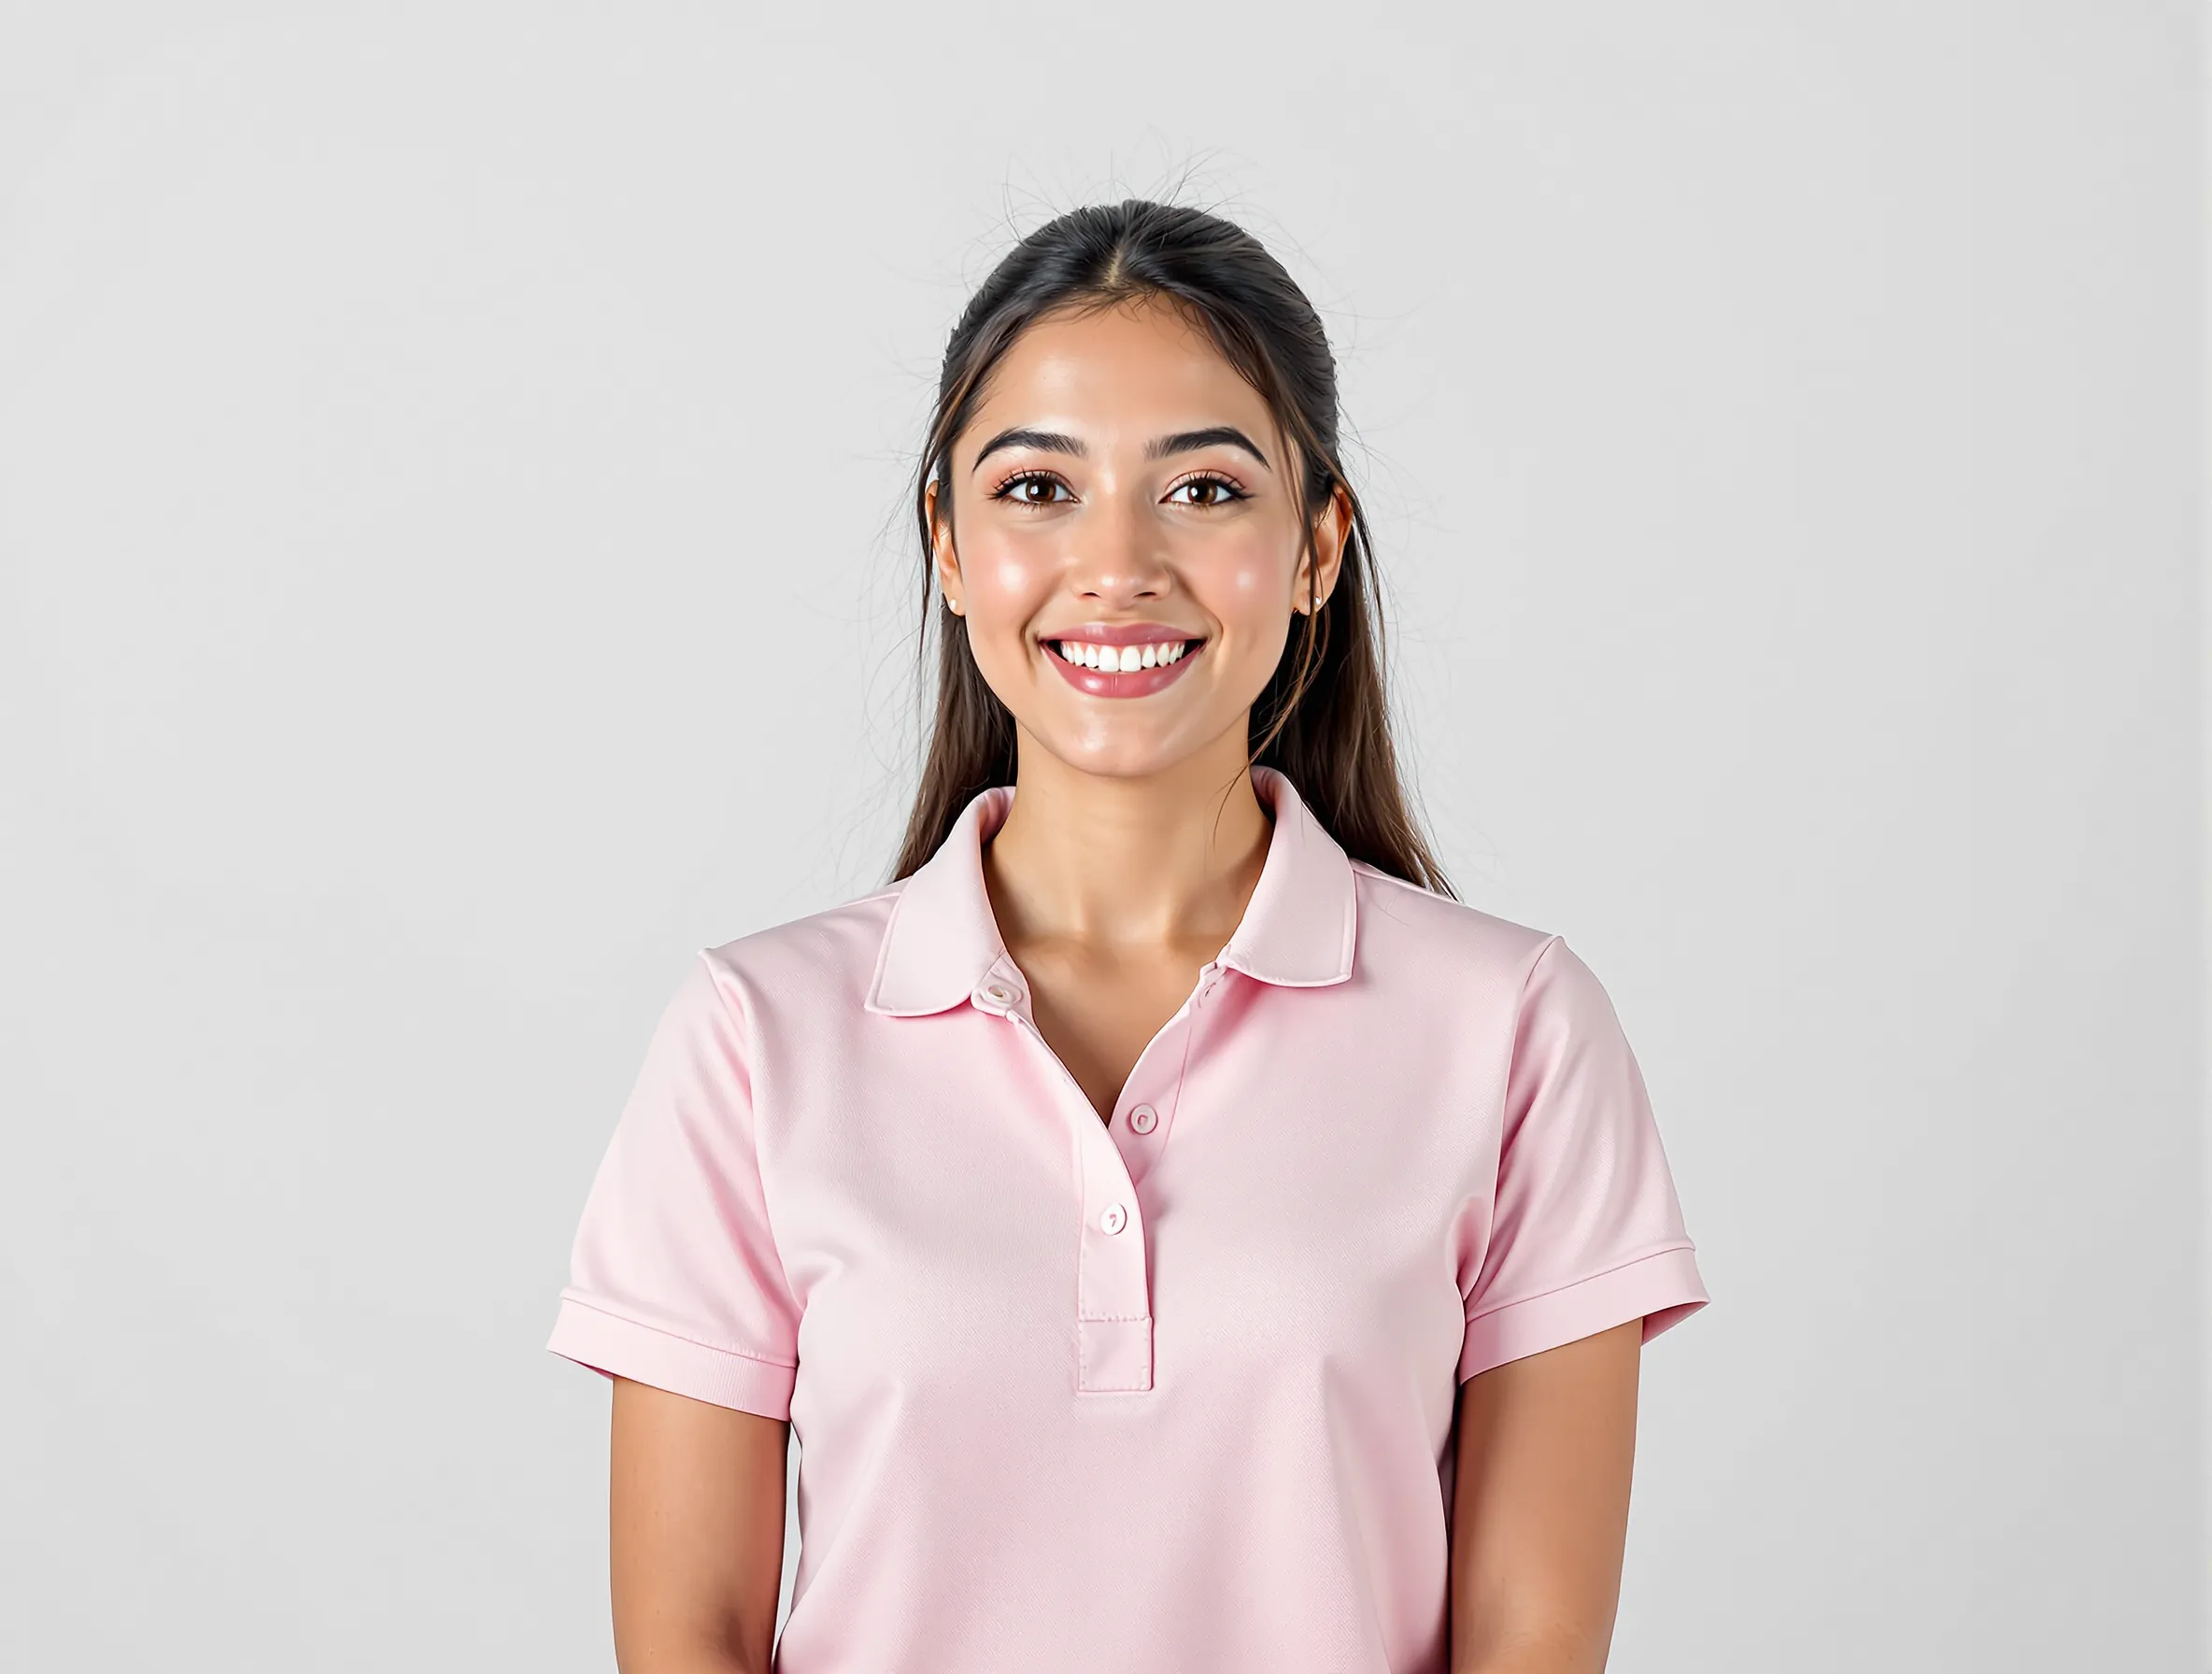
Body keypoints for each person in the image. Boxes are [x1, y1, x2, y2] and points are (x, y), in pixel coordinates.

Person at [546, 197, 1710, 1674]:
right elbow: (691, 1638)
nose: (1119, 564)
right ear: (949, 545)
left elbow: (1531, 1643)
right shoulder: (753, 1038)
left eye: (1206, 491)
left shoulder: (1517, 1029)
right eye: (1037, 487)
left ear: (1318, 545)